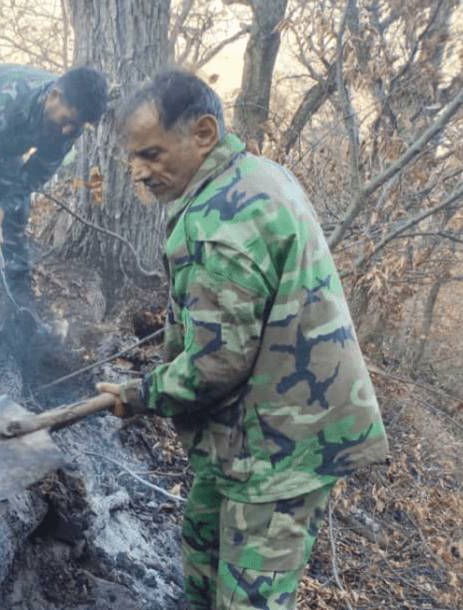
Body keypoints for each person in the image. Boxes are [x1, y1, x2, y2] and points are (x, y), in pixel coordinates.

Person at [95, 70, 389, 609]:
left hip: (280, 451)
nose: (139, 172)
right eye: (133, 157)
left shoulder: (220, 220)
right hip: (247, 438)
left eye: (152, 154)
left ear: (203, 133)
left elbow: (216, 363)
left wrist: (141, 394)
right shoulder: (255, 174)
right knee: (201, 555)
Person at [0, 64, 109, 341]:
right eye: (65, 120)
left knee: (15, 213)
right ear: (54, 97)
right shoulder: (10, 103)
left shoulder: (71, 123)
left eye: (75, 126)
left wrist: (1, 211)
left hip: (5, 141)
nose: (67, 130)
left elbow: (35, 172)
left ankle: (20, 301)